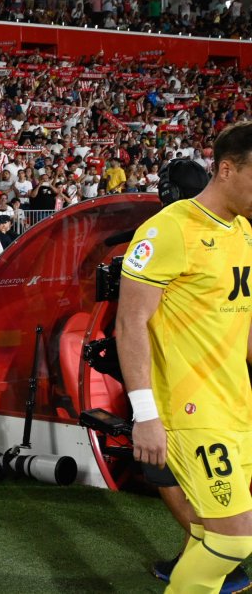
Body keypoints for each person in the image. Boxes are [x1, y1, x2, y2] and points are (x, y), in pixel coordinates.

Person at [116, 122, 252, 594]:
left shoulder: (244, 231)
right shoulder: (168, 228)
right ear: (227, 169)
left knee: (212, 535)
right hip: (190, 412)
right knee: (233, 542)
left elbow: (241, 320)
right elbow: (128, 324)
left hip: (235, 407)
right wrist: (146, 414)